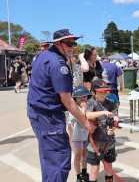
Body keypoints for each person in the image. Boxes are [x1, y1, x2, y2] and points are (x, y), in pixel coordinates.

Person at [27, 29, 97, 182]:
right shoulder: (59, 65)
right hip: (48, 116)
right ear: (58, 43)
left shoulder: (43, 55)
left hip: (39, 112)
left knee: (49, 160)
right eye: (69, 43)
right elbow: (67, 100)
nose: (72, 46)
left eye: (74, 43)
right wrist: (86, 122)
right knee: (59, 160)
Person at [85, 78, 119, 182]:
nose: (104, 93)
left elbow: (116, 117)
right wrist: (104, 113)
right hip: (94, 142)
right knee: (95, 168)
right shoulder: (91, 102)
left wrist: (113, 127)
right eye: (100, 92)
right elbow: (88, 115)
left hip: (109, 141)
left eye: (105, 91)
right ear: (93, 92)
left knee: (108, 166)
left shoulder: (111, 103)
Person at [69, 85, 92, 182]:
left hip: (85, 136)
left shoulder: (85, 107)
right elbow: (81, 118)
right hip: (77, 137)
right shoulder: (74, 108)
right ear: (75, 98)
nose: (83, 99)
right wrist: (83, 107)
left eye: (85, 97)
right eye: (81, 97)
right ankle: (78, 176)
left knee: (84, 155)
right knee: (77, 156)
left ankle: (84, 172)